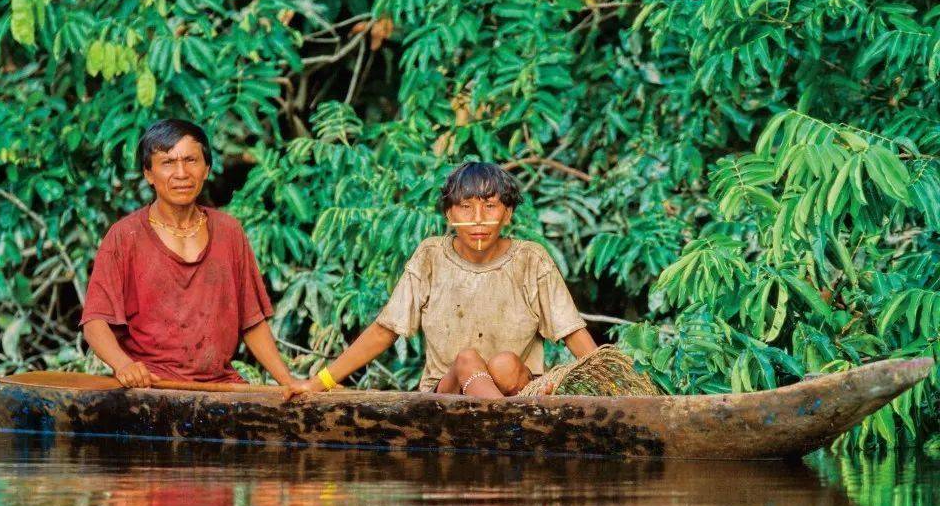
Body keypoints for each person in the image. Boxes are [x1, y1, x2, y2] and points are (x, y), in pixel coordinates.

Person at [305, 161, 598, 398]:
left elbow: (572, 332)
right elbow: (385, 330)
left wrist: (620, 391)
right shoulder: (431, 256)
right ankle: (500, 424)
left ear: (507, 214)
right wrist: (322, 382)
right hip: (447, 395)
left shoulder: (531, 260)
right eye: (466, 207)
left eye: (490, 206)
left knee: (504, 363)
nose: (478, 219)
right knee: (467, 360)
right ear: (449, 214)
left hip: (517, 391)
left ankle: (498, 417)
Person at [80, 119, 316, 398]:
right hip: (151, 389)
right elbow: (95, 323)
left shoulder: (229, 232)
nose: (181, 173)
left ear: (206, 170)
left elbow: (252, 322)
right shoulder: (125, 235)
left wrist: (287, 380)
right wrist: (124, 366)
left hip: (220, 387)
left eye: (191, 160)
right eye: (168, 162)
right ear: (148, 174)